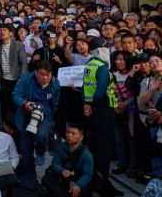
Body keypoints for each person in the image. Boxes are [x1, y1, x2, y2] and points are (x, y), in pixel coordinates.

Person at [82, 37, 121, 196]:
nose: (109, 52)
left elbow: (86, 88)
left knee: (94, 147)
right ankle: (103, 184)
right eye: (106, 49)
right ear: (99, 51)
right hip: (104, 111)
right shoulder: (103, 67)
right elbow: (100, 91)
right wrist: (94, 104)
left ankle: (93, 181)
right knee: (103, 149)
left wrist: (87, 104)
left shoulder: (89, 64)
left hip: (92, 111)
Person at [12, 60, 60, 189]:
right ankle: (30, 177)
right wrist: (25, 103)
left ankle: (40, 151)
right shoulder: (25, 80)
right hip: (26, 116)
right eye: (42, 74)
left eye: (48, 75)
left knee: (41, 135)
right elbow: (16, 95)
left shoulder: (55, 83)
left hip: (46, 115)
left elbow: (55, 101)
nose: (45, 78)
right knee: (25, 148)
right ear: (35, 73)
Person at [42, 123, 94, 197]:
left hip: (77, 179)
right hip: (63, 178)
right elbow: (55, 164)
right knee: (46, 179)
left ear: (81, 137)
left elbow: (87, 174)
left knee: (85, 190)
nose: (69, 135)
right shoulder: (60, 146)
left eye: (73, 134)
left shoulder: (87, 155)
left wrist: (78, 185)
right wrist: (62, 170)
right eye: (68, 132)